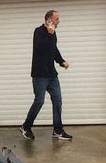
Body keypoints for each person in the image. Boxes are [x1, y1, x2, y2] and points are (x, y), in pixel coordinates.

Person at [20, 9, 72, 140]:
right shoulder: (39, 31)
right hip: (39, 75)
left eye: (58, 19)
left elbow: (53, 49)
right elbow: (40, 47)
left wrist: (61, 61)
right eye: (56, 19)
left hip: (52, 75)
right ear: (48, 20)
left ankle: (58, 131)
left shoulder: (53, 34)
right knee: (39, 101)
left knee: (58, 101)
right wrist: (49, 33)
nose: (58, 22)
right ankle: (26, 127)